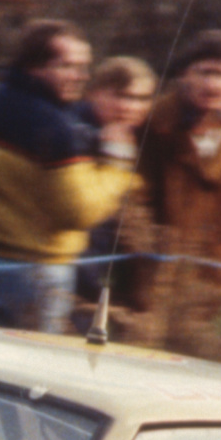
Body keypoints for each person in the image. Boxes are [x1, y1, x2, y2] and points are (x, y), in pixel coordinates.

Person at [0, 17, 101, 332]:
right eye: (68, 66)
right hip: (37, 272)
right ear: (33, 66)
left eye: (84, 66)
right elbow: (78, 213)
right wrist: (118, 170)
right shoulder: (56, 125)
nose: (81, 76)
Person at [133, 29, 221, 307]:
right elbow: (136, 198)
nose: (215, 85)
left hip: (208, 277)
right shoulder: (154, 123)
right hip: (154, 271)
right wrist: (149, 253)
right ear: (184, 74)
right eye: (206, 72)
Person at [73, 56, 156, 321]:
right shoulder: (78, 133)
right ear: (94, 93)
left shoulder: (134, 137)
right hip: (78, 275)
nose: (131, 107)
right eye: (122, 96)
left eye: (142, 99)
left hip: (108, 274)